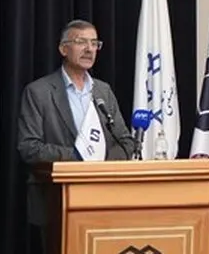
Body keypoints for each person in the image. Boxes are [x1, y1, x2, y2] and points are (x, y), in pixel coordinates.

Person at [18, 19, 135, 225]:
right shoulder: (39, 92)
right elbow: (29, 148)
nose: (89, 49)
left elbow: (125, 142)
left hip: (104, 197)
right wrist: (78, 156)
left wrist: (100, 163)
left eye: (94, 43)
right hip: (56, 199)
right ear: (63, 49)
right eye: (81, 42)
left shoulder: (103, 91)